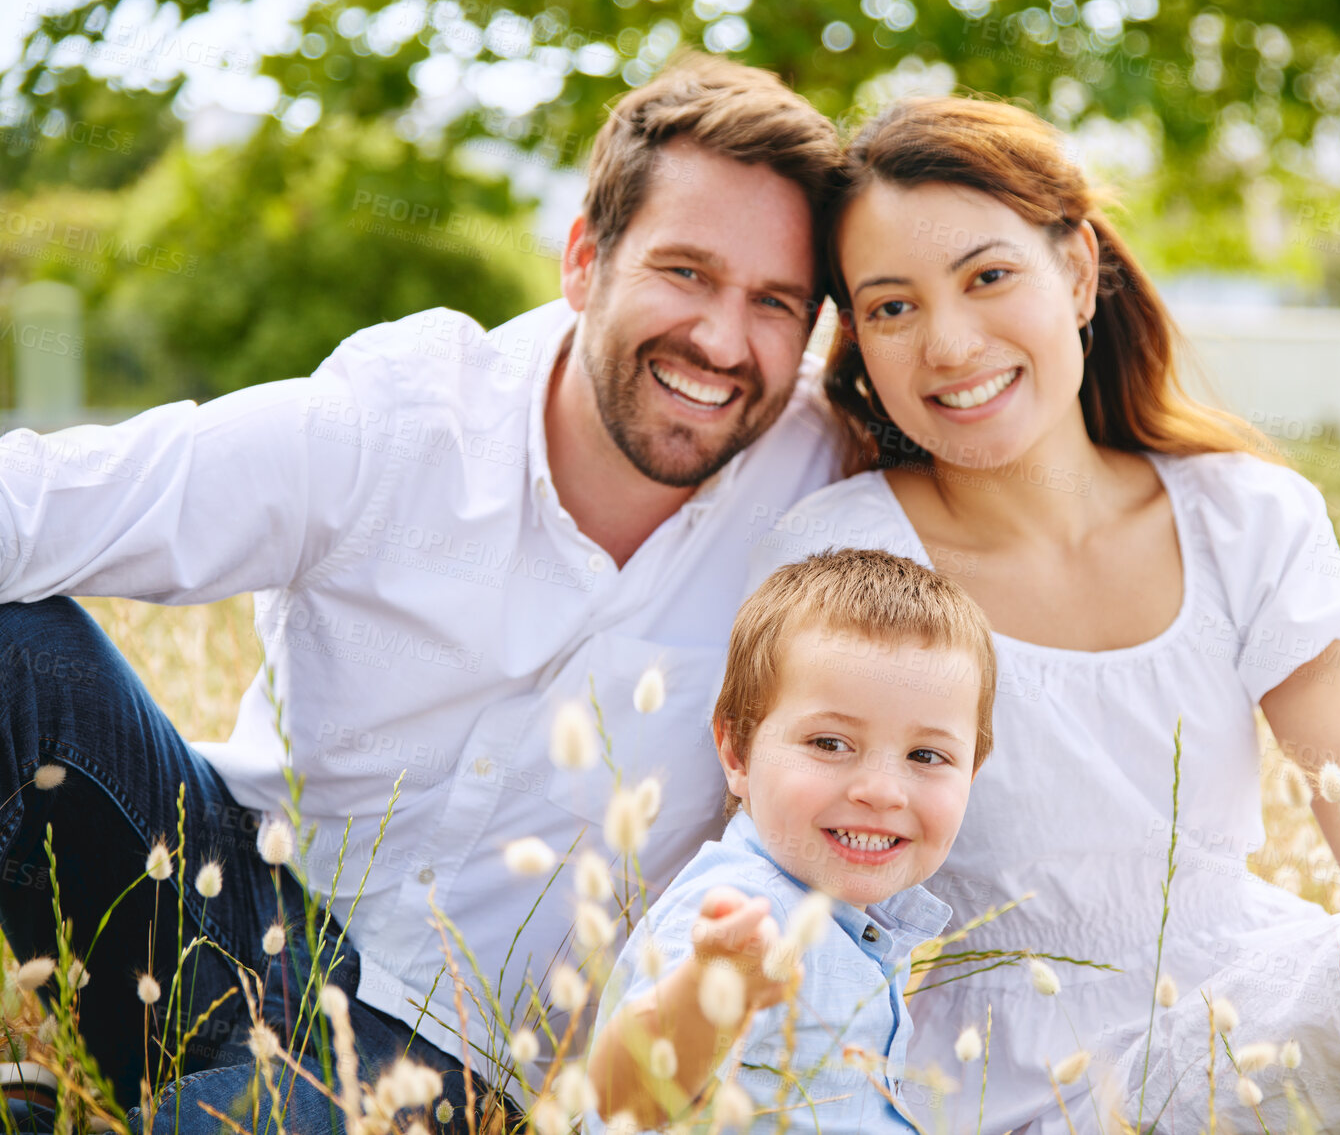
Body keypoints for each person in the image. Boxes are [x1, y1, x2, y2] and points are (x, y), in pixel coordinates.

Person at [750, 97, 1340, 1135]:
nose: (947, 343)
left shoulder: (1235, 512)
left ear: (1076, 272)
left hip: (1236, 963)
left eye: (989, 276)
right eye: (891, 308)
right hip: (1017, 1046)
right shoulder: (843, 552)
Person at [0, 55, 846, 1133]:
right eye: (685, 272)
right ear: (585, 259)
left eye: (774, 302)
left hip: (452, 1055)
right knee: (16, 646)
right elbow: (47, 503)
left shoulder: (828, 483)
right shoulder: (407, 420)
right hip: (215, 886)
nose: (724, 341)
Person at [587, 547, 996, 1132]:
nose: (881, 791)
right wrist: (705, 992)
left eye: (926, 755)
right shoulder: (748, 911)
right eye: (829, 743)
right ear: (737, 752)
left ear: (970, 777)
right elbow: (622, 1102)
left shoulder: (847, 923)